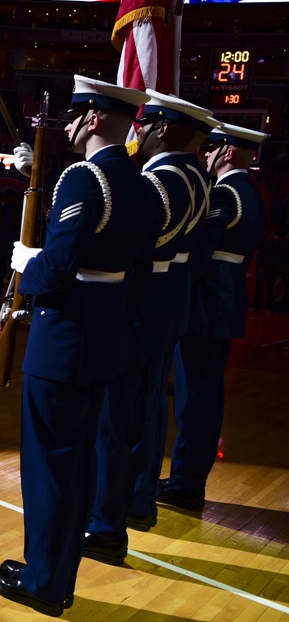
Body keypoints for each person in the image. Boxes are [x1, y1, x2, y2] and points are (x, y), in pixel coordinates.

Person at [0, 76, 160, 617]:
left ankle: (44, 581)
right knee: (78, 466)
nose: (67, 123)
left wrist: (25, 265)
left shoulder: (85, 177)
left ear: (92, 119)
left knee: (49, 468)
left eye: (75, 114)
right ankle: (56, 575)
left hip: (64, 338)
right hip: (105, 336)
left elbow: (57, 269)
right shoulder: (139, 183)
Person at [84, 91, 215, 565]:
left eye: (144, 125)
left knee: (117, 421)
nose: (136, 131)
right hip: (168, 300)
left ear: (162, 129)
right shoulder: (197, 174)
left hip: (142, 304)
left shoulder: (160, 179)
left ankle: (105, 522)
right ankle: (137, 502)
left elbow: (130, 235)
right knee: (147, 413)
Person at [157, 123, 269, 512]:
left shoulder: (224, 192)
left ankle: (186, 484)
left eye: (213, 148)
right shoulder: (250, 193)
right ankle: (188, 477)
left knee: (195, 396)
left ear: (228, 153)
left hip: (208, 300)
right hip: (226, 296)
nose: (205, 154)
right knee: (205, 393)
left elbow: (200, 254)